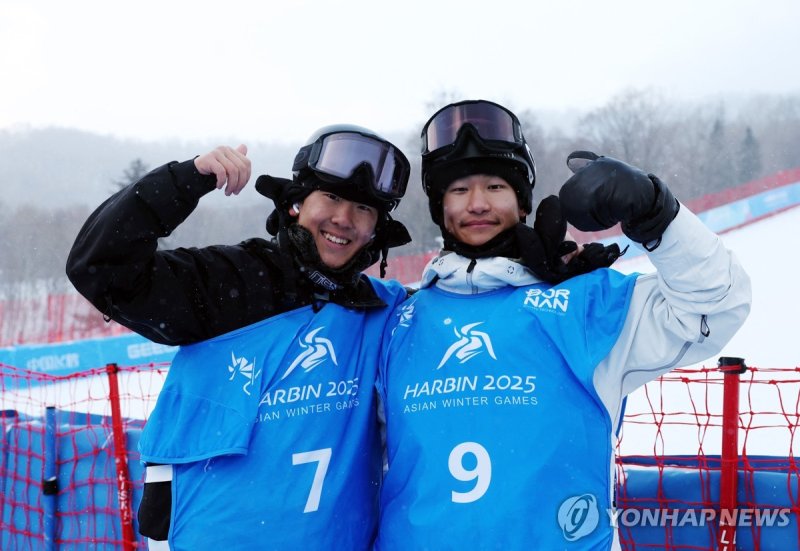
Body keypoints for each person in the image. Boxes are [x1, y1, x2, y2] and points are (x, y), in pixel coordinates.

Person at [374, 99, 752, 549]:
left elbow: (715, 304)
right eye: (458, 190)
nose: (476, 204)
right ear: (440, 206)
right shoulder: (396, 321)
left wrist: (656, 215)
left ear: (522, 201)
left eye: (495, 185)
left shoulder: (582, 303)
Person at [66, 124, 413, 550]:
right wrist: (185, 179)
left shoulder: (383, 310)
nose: (344, 218)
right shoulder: (231, 283)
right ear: (295, 205)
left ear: (377, 231)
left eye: (363, 208)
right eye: (332, 197)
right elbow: (101, 267)